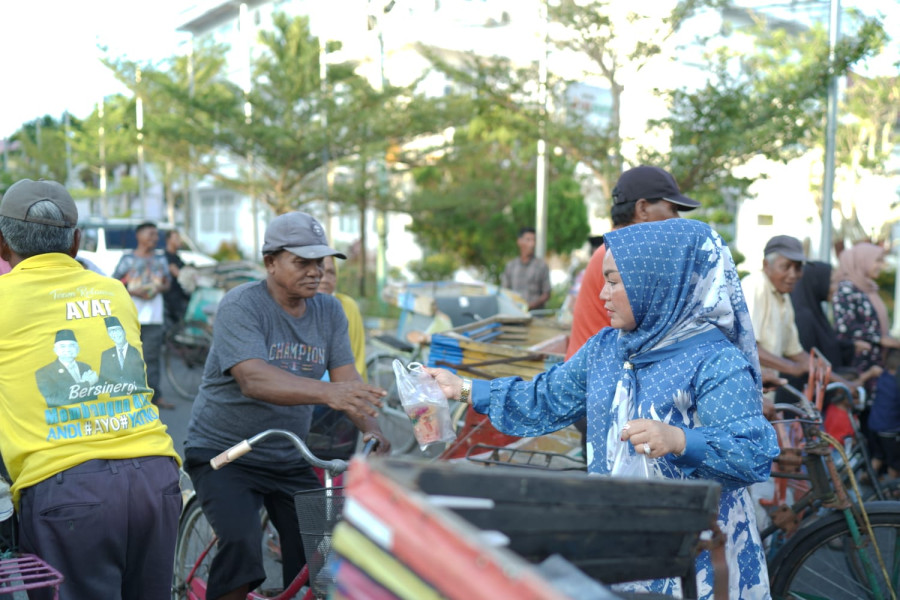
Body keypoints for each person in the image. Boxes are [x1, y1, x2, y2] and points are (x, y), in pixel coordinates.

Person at [427, 219, 779, 599]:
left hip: (698, 562)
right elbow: (545, 399)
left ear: (657, 281)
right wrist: (461, 388)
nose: (602, 295)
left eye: (613, 281)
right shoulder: (609, 347)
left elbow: (752, 454)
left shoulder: (715, 361)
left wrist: (679, 439)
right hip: (620, 546)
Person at [183, 211, 390, 600]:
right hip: (225, 453)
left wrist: (372, 429)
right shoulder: (241, 305)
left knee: (325, 558)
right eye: (302, 262)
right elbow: (253, 379)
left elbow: (346, 381)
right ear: (270, 263)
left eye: (320, 263)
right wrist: (328, 393)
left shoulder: (329, 311)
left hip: (288, 455)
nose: (315, 272)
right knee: (243, 548)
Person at [0, 178, 181, 600]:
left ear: (2, 244)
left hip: (66, 489)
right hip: (157, 474)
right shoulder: (116, 293)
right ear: (76, 241)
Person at [565, 165, 700, 359]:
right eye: (673, 209)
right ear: (642, 208)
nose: (676, 220)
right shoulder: (622, 256)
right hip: (597, 377)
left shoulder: (612, 250)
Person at [112, 222, 174, 409]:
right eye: (150, 234)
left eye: (156, 235)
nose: (154, 238)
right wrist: (134, 291)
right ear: (139, 236)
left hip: (154, 317)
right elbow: (115, 283)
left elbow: (168, 283)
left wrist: (159, 288)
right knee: (129, 357)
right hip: (130, 316)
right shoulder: (127, 259)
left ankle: (154, 397)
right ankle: (130, 397)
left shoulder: (161, 260)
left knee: (152, 358)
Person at [833, 242, 900, 393]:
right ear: (862, 261)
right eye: (877, 260)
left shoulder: (869, 288)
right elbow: (844, 327)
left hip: (876, 365)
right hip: (859, 368)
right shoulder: (846, 288)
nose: (881, 265)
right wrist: (879, 338)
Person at [741, 235, 810, 381]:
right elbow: (746, 346)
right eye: (786, 267)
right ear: (766, 265)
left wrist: (825, 370)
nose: (793, 275)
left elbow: (794, 351)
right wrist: (792, 368)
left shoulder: (782, 295)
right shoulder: (755, 286)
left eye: (798, 268)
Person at [318, 254, 367, 381]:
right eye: (319, 270)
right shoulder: (293, 309)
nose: (324, 279)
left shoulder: (347, 306)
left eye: (330, 272)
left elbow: (357, 358)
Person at [34, 329, 100, 407]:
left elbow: (93, 396)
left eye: (72, 345)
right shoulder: (44, 372)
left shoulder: (85, 367)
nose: (67, 349)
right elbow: (54, 400)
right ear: (55, 350)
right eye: (62, 346)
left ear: (78, 349)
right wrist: (86, 384)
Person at [501, 226, 551, 311]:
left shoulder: (541, 266)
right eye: (528, 240)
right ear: (519, 241)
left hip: (535, 315)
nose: (532, 244)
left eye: (533, 240)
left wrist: (530, 306)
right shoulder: (511, 266)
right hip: (515, 313)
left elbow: (546, 293)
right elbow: (504, 291)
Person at [869, 348, 900, 479]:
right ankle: (892, 489)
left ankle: (869, 476)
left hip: (873, 426)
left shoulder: (883, 376)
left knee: (878, 456)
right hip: (889, 429)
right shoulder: (897, 383)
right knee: (895, 464)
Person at [99, 315, 148, 388]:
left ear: (124, 331)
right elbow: (102, 381)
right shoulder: (106, 354)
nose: (115, 334)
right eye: (111, 331)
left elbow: (141, 379)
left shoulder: (135, 351)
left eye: (117, 330)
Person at [163, 229, 192, 329]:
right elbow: (179, 274)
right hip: (172, 300)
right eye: (176, 238)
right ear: (168, 240)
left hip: (180, 297)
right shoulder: (166, 258)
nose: (179, 241)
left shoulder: (177, 257)